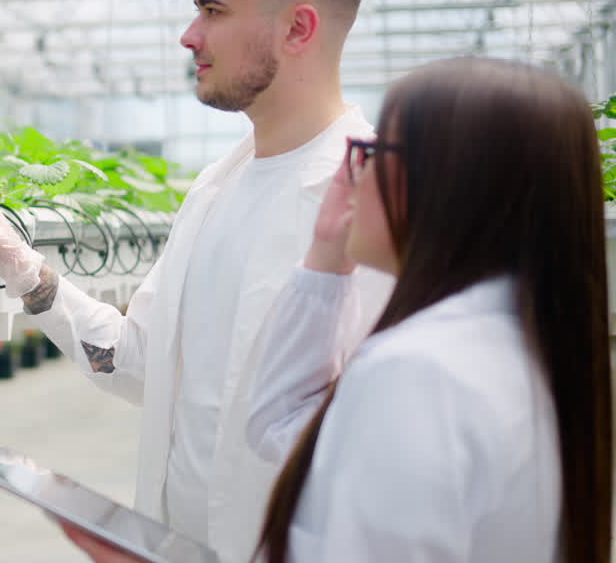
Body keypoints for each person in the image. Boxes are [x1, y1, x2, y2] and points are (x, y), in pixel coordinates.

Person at [0, 0, 388, 563]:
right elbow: (140, 366)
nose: (189, 36)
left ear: (298, 27)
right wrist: (31, 277)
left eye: (213, 10)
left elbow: (385, 450)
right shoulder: (216, 190)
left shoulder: (376, 200)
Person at [241, 57, 612, 562]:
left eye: (373, 152)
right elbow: (283, 428)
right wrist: (328, 252)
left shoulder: (418, 372)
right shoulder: (524, 347)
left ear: (442, 181)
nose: (352, 175)